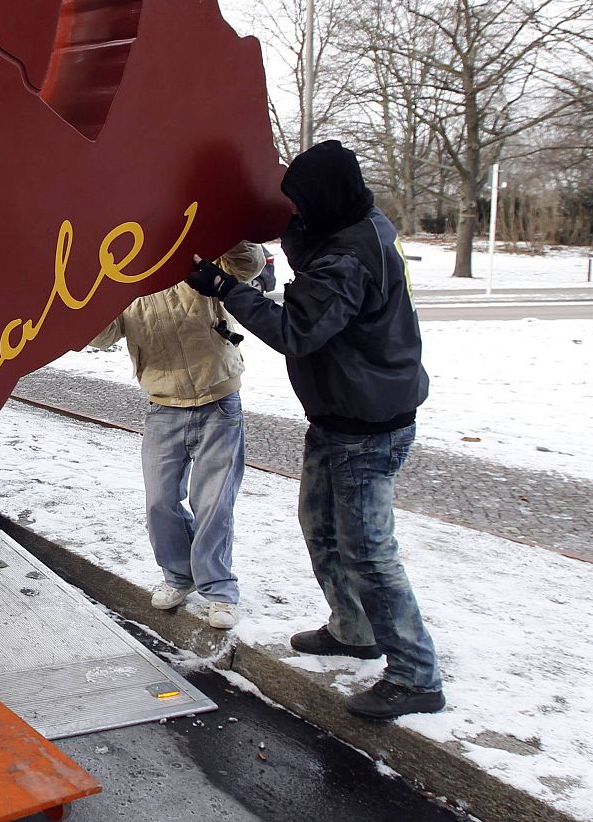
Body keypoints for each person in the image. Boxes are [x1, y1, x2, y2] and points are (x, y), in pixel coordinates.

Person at [186, 140, 444, 721]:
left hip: (366, 427)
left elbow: (296, 331)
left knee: (369, 552)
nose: (294, 215)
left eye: (302, 205)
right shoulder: (356, 222)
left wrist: (227, 289)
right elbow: (309, 258)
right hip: (342, 413)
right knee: (320, 526)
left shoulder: (348, 259)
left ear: (324, 201)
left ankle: (415, 674)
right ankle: (354, 630)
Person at [93, 242, 264, 632]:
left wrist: (224, 233)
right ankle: (179, 575)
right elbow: (100, 336)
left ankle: (219, 590)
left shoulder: (198, 251)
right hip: (163, 406)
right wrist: (89, 300)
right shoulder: (122, 276)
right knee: (160, 502)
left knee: (214, 504)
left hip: (218, 400)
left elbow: (248, 264)